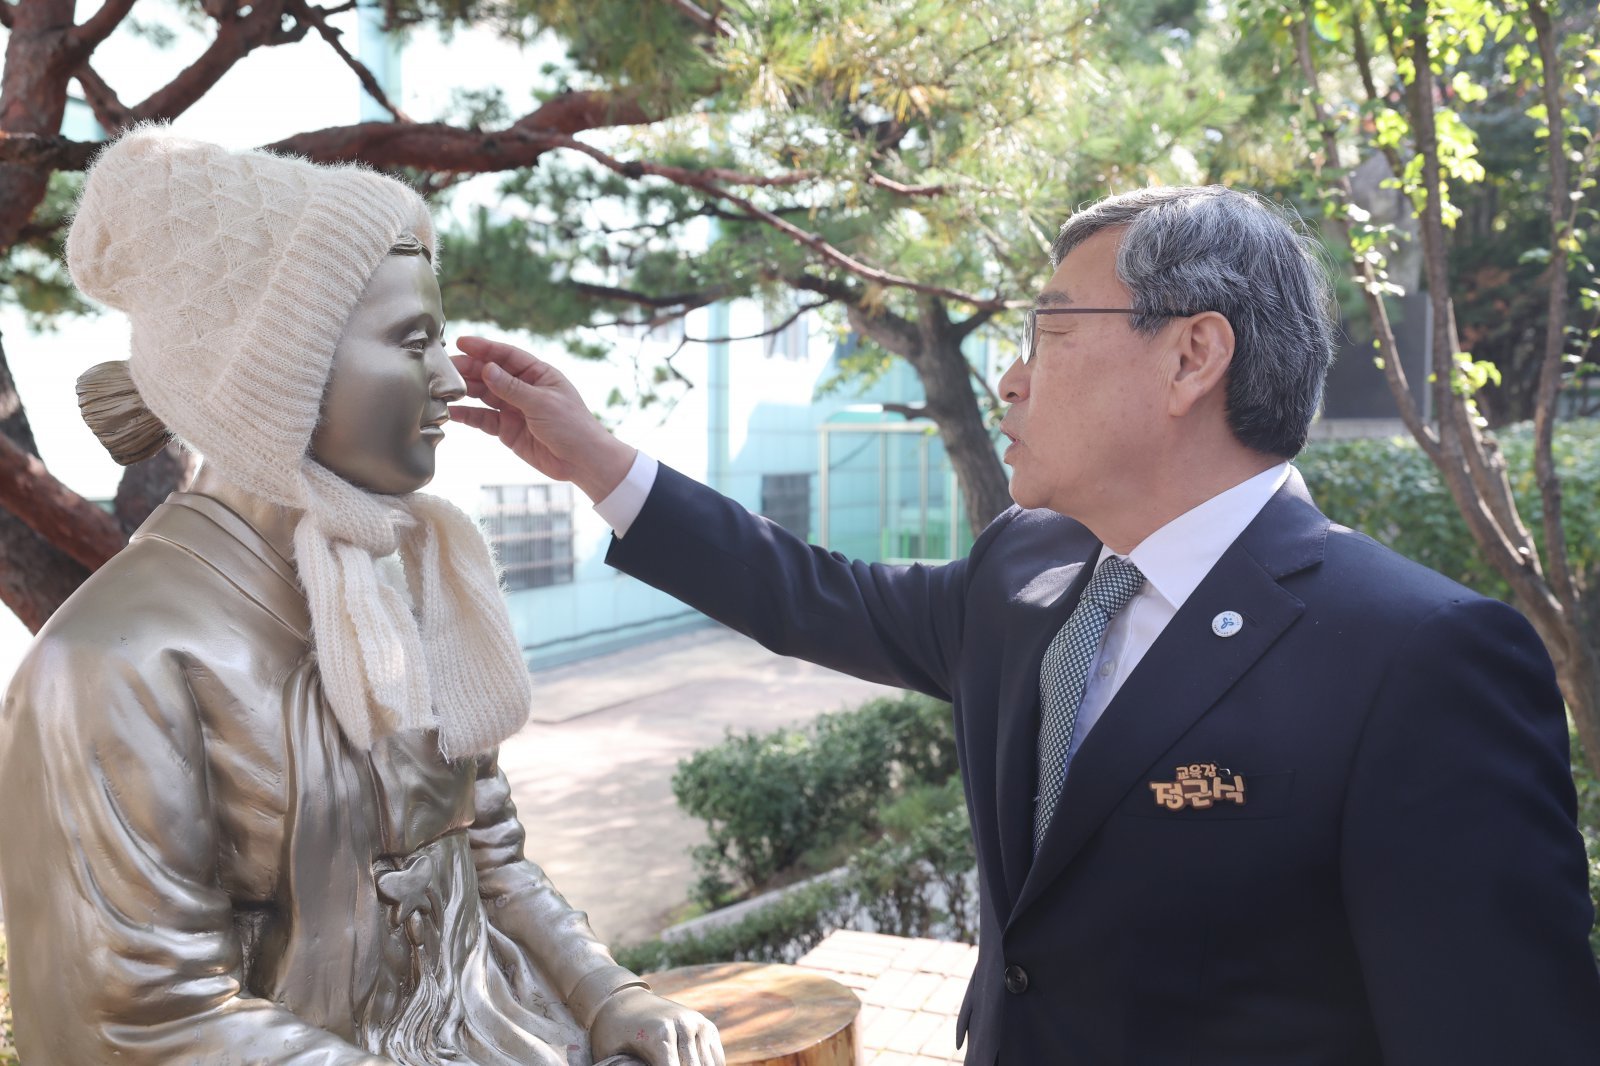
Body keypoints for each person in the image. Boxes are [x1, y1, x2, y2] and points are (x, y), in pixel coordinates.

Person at [450, 185, 1600, 1064]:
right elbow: (809, 592)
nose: (1008, 378)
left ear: (1192, 356)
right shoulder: (1029, 566)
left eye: (1049, 329)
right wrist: (594, 461)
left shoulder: (1419, 658)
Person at [0, 128, 723, 1066]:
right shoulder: (109, 662)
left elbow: (488, 855)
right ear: (277, 373)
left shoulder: (406, 587)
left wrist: (605, 991)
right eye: (412, 340)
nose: (451, 379)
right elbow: (140, 1016)